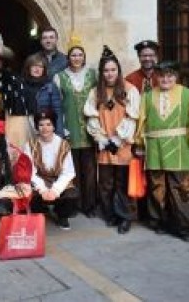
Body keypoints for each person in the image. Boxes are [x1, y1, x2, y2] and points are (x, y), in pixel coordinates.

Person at [134, 61, 189, 242]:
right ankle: (161, 222)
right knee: (157, 187)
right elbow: (142, 122)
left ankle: (187, 226)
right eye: (161, 75)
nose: (165, 79)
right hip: (154, 148)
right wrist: (139, 144)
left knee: (182, 187)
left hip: (179, 147)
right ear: (156, 76)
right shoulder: (147, 96)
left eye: (170, 75)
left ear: (176, 77)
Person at [84, 46, 140, 234]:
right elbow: (91, 117)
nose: (109, 73)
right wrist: (100, 137)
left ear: (118, 70)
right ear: (102, 72)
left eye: (113, 70)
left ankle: (125, 217)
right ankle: (110, 214)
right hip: (104, 144)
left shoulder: (129, 90)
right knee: (106, 182)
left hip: (122, 144)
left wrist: (118, 138)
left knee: (122, 183)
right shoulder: (95, 92)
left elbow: (132, 117)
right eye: (106, 70)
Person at [53, 36, 98, 217]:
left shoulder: (92, 74)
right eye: (73, 55)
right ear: (68, 58)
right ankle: (74, 204)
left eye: (79, 55)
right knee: (72, 171)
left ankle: (90, 206)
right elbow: (57, 105)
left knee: (89, 170)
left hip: (90, 130)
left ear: (84, 57)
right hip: (69, 129)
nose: (76, 58)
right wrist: (61, 128)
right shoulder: (59, 77)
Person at [24, 109, 77, 230]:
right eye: (41, 125)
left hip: (57, 179)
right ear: (37, 127)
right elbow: (30, 172)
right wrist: (42, 189)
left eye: (48, 124)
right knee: (28, 191)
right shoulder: (29, 144)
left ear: (54, 126)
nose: (45, 128)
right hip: (39, 180)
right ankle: (41, 211)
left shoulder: (63, 144)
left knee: (71, 194)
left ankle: (62, 215)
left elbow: (68, 172)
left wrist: (55, 190)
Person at [125, 40, 160, 222]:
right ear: (139, 57)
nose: (147, 58)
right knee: (136, 173)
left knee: (155, 173)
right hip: (136, 133)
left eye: (150, 55)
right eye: (144, 55)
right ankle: (135, 212)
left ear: (156, 57)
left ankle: (155, 211)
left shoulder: (163, 77)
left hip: (157, 134)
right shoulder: (130, 79)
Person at [21, 53, 64, 136]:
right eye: (34, 66)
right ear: (28, 68)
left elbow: (57, 111)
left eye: (40, 67)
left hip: (45, 124)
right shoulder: (21, 85)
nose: (37, 69)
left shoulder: (50, 86)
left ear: (44, 69)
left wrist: (59, 134)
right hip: (26, 124)